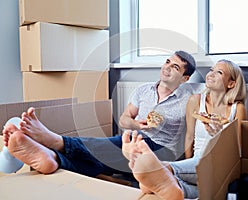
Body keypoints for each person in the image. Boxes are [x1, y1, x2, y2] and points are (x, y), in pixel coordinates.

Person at [2, 51, 196, 178]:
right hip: (132, 139)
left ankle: (56, 142)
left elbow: (190, 136)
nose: (167, 68)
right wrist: (137, 125)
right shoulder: (143, 90)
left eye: (175, 67)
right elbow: (124, 119)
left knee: (110, 149)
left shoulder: (189, 99)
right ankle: (53, 159)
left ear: (185, 79)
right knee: (105, 159)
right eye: (167, 62)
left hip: (162, 150)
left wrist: (185, 166)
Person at [122, 59, 247, 199]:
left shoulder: (238, 109)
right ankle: (174, 187)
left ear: (231, 84)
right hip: (195, 163)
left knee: (199, 168)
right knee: (204, 186)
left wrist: (219, 134)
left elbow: (238, 149)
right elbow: (189, 136)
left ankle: (162, 168)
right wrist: (188, 163)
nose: (211, 74)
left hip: (221, 164)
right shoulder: (195, 101)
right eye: (211, 70)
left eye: (219, 72)